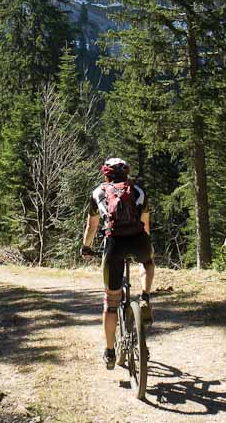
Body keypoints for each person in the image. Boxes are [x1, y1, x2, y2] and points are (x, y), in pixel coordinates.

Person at [81, 157, 154, 369]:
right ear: (127, 173)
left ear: (106, 174)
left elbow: (91, 227)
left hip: (114, 246)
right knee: (147, 263)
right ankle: (145, 297)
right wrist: (146, 245)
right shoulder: (139, 192)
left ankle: (110, 351)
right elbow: (146, 224)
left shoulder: (98, 193)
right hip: (138, 241)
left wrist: (86, 247)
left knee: (110, 303)